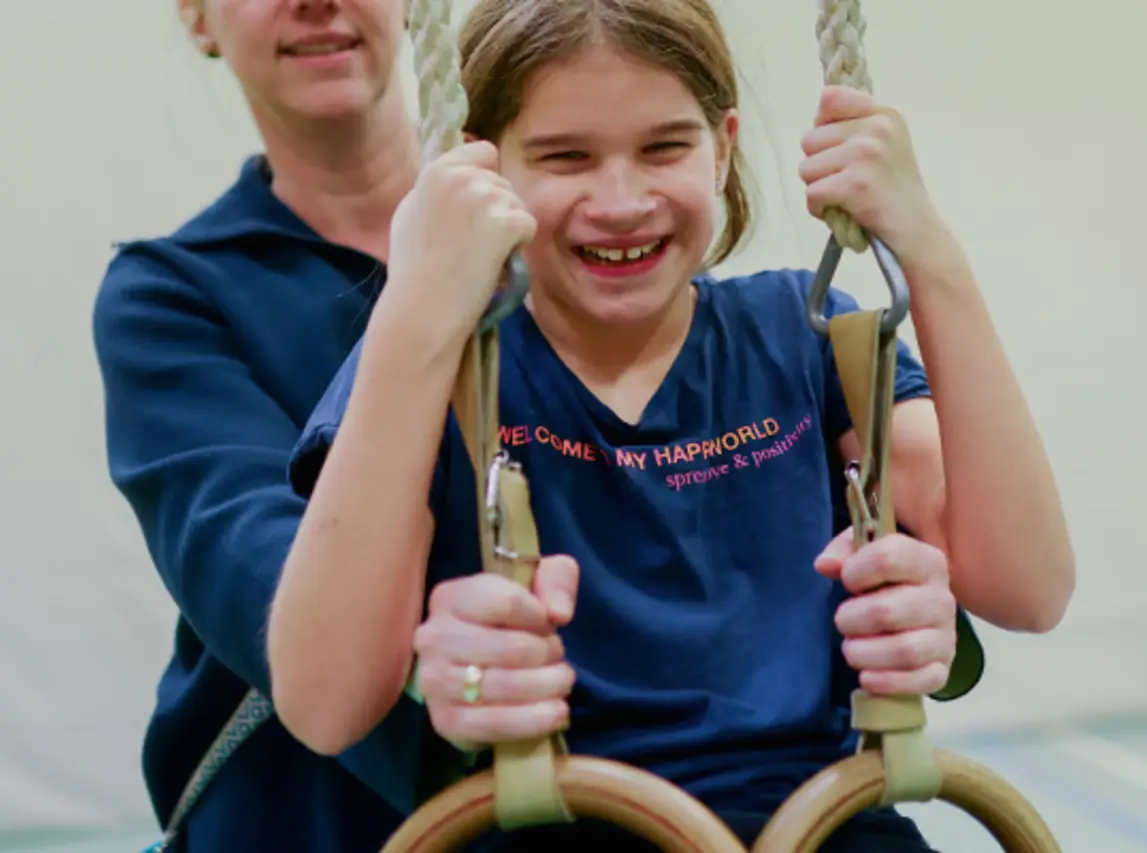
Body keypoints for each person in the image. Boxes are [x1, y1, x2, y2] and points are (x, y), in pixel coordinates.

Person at [268, 0, 1076, 850]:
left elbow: (1028, 585)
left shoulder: (807, 343)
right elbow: (324, 704)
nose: (621, 201)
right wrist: (415, 308)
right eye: (565, 156)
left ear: (723, 145)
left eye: (664, 147)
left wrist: (929, 249)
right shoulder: (439, 374)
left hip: (826, 825)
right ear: (487, 168)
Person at [91, 0, 463, 850]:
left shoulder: (566, 228)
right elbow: (271, 590)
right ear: (197, 17)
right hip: (304, 815)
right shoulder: (168, 299)